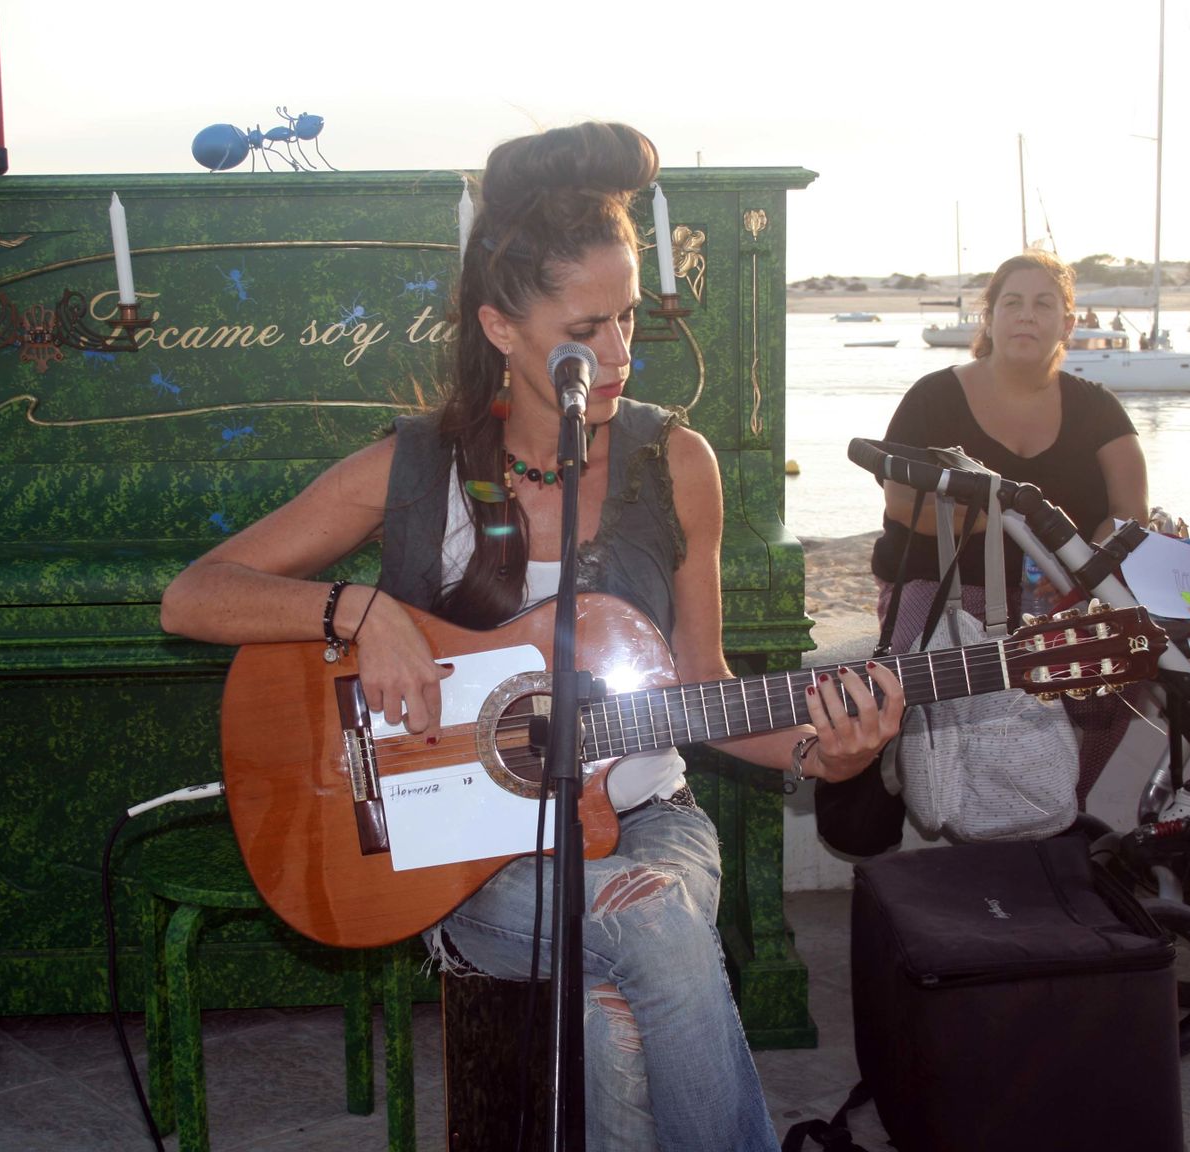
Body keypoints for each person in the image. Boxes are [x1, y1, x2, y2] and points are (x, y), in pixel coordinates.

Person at [161, 121, 904, 1152]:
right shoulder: (415, 466)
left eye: (630, 318)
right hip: (464, 853)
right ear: (501, 329)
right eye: (585, 327)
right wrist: (358, 610)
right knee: (647, 942)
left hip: (650, 829)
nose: (617, 353)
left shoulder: (674, 463)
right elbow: (194, 595)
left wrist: (830, 752)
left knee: (623, 992)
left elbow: (704, 687)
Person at [869, 249, 1149, 803]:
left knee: (1120, 674)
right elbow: (903, 504)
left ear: (1068, 323)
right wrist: (997, 524)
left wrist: (1081, 575)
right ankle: (905, 789)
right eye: (1012, 303)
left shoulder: (1099, 409)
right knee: (917, 673)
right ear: (989, 318)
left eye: (1044, 304)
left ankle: (1061, 808)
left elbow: (1129, 512)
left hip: (1057, 594)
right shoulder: (933, 397)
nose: (1027, 315)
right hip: (946, 585)